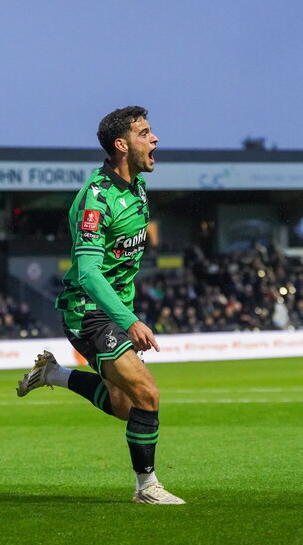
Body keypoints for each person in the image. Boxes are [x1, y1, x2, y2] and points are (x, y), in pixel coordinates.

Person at [16, 106, 185, 504]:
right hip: (88, 311)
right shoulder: (96, 200)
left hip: (112, 310)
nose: (155, 138)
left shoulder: (137, 187)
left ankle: (55, 376)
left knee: (126, 406)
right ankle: (147, 488)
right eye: (145, 132)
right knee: (147, 394)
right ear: (121, 145)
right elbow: (90, 274)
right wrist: (129, 320)